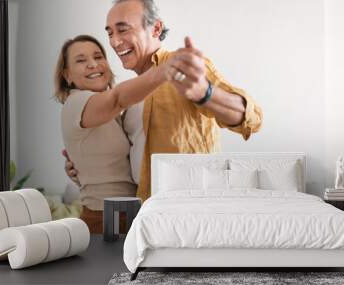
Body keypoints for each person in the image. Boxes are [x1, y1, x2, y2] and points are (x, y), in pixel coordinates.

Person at [65, 0, 263, 202]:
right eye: (110, 33)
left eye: (123, 30)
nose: (115, 42)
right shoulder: (132, 94)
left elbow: (252, 119)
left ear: (156, 28)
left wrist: (206, 93)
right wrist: (84, 166)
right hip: (148, 211)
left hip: (191, 208)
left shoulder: (184, 67)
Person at [55, 34, 173, 232]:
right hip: (103, 219)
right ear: (67, 75)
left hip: (132, 214)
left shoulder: (117, 113)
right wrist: (166, 69)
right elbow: (117, 99)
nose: (93, 64)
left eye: (98, 57)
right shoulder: (75, 103)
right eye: (81, 60)